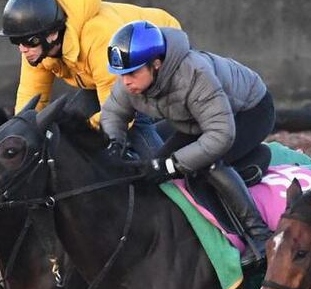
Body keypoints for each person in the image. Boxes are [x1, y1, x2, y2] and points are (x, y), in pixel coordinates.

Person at [100, 20, 275, 266]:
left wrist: (172, 165)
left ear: (156, 64)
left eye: (132, 73)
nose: (125, 81)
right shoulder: (130, 83)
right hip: (197, 122)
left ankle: (260, 236)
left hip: (248, 112)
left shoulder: (194, 74)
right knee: (153, 169)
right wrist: (114, 143)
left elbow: (220, 135)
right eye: (121, 74)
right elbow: (112, 114)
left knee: (207, 164)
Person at [0, 0, 181, 154]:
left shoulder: (99, 36)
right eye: (16, 41)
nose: (22, 49)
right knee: (69, 127)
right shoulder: (36, 50)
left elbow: (120, 113)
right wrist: (18, 136)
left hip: (158, 58)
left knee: (134, 123)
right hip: (105, 81)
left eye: (28, 41)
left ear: (52, 34)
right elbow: (30, 98)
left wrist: (84, 132)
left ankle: (171, 179)